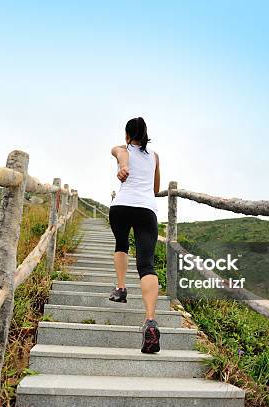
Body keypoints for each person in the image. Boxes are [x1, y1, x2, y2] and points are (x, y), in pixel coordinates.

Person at [109, 117, 161, 353]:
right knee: (147, 265)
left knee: (121, 244)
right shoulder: (155, 157)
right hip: (146, 210)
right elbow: (156, 189)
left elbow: (122, 156)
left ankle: (121, 289)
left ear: (128, 134)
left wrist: (123, 168)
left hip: (121, 206)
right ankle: (150, 320)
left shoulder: (121, 148)